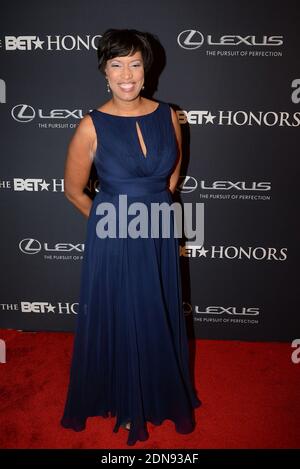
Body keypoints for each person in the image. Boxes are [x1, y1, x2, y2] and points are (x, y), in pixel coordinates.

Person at [60, 28, 201, 446]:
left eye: (135, 64)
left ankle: (159, 395)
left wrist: (154, 214)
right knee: (123, 317)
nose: (127, 74)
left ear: (146, 70)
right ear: (104, 71)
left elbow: (172, 176)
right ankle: (123, 401)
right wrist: (112, 223)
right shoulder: (91, 125)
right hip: (115, 237)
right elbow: (73, 189)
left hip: (157, 229)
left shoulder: (168, 115)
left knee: (156, 313)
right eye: (117, 64)